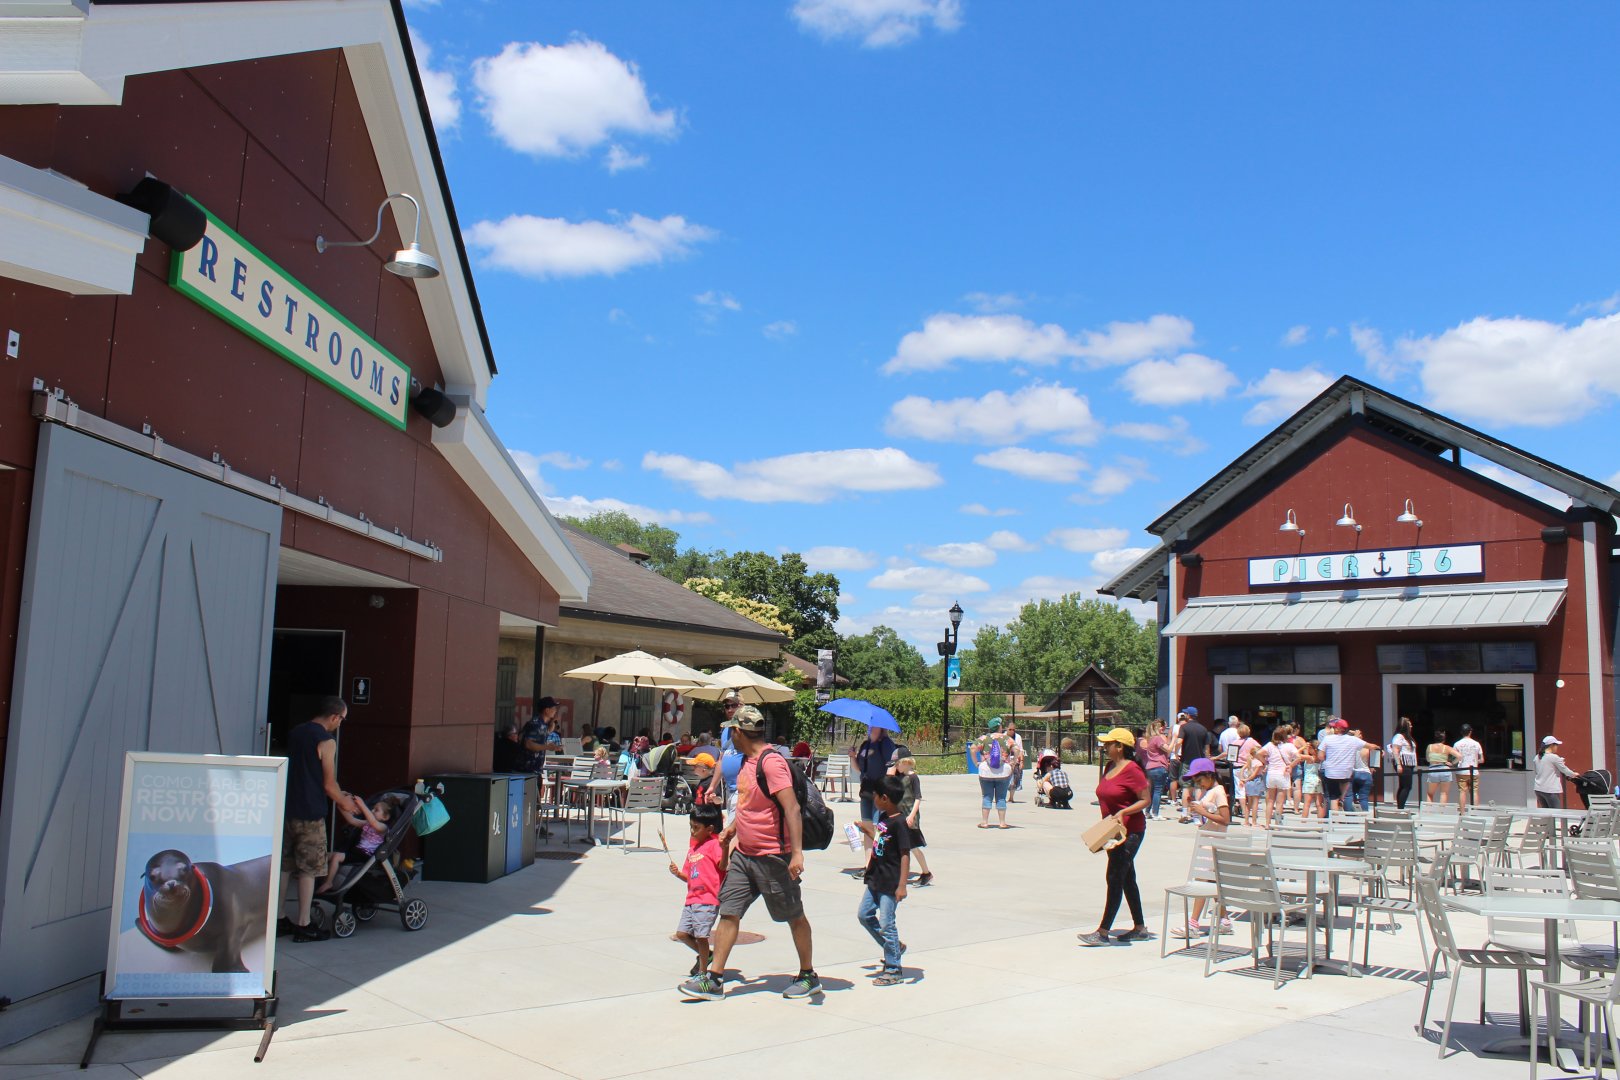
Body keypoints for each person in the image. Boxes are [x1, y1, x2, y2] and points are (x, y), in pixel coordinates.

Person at [679, 705, 821, 1001]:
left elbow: (792, 808)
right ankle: (714, 979)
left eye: (731, 730)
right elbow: (748, 804)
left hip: (773, 857)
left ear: (738, 732)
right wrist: (732, 828)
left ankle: (808, 975)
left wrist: (797, 854)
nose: (729, 735)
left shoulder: (771, 764)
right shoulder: (745, 762)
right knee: (729, 911)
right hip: (744, 854)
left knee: (793, 915)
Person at [278, 696, 360, 943]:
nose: (340, 724)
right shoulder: (326, 741)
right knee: (308, 870)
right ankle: (304, 924)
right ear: (334, 717)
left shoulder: (296, 733)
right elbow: (328, 784)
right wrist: (345, 803)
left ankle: (279, 918)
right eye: (342, 719)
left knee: (285, 867)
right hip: (311, 813)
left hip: (287, 809)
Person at [1077, 728, 1151, 947]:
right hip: (1111, 831)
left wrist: (1124, 812)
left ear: (1120, 747)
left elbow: (1145, 799)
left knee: (1115, 876)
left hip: (1130, 832)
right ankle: (1140, 928)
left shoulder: (1133, 770)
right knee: (1127, 878)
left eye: (1109, 743)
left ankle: (1103, 932)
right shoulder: (1109, 767)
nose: (1105, 746)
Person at [857, 775, 912, 986]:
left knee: (887, 923)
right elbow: (881, 842)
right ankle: (895, 947)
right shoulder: (883, 818)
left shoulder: (900, 823)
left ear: (885, 798)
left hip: (890, 882)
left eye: (875, 796)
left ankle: (893, 968)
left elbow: (905, 854)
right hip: (875, 877)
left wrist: (902, 885)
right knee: (864, 915)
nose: (873, 799)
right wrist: (868, 831)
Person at [1170, 758, 1233, 939]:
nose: (1198, 784)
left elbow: (1225, 819)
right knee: (1213, 884)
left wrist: (1203, 812)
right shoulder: (1210, 791)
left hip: (1213, 843)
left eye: (1199, 780)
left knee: (1202, 883)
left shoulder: (1218, 791)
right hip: (1209, 841)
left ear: (1209, 775)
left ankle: (1193, 924)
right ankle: (1225, 920)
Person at [670, 803, 725, 977]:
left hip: (708, 899)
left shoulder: (714, 845)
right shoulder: (692, 850)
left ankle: (702, 972)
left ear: (709, 829)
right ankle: (706, 956)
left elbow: (723, 866)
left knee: (702, 936)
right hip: (692, 899)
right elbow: (689, 876)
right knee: (682, 934)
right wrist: (678, 873)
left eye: (696, 827)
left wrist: (725, 848)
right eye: (691, 827)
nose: (692, 831)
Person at [324, 796, 394, 886]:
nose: (372, 810)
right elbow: (352, 820)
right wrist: (340, 804)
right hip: (356, 852)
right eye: (373, 808)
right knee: (327, 855)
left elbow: (373, 822)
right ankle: (313, 872)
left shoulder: (383, 828)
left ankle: (328, 883)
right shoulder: (367, 823)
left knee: (336, 857)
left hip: (365, 855)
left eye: (376, 810)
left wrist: (362, 804)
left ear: (385, 817)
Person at [851, 723, 898, 845]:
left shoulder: (886, 744)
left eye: (874, 725)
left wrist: (886, 786)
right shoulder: (865, 745)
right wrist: (852, 757)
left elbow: (892, 765)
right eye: (869, 725)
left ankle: (879, 854)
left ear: (881, 728)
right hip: (866, 790)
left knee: (878, 826)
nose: (870, 727)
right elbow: (859, 769)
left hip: (879, 791)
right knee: (866, 827)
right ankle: (868, 858)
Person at [1318, 718, 1375, 815]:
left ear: (1337, 729)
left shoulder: (1327, 739)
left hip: (1331, 772)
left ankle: (1335, 819)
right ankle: (1342, 798)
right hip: (1346, 772)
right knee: (1346, 782)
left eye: (1334, 727)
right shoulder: (1353, 740)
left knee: (1333, 798)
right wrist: (1379, 749)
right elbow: (1371, 746)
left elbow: (1320, 756)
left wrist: (1328, 758)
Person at [893, 756, 932, 885]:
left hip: (910, 816)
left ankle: (926, 873)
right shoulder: (898, 776)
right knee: (900, 846)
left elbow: (917, 798)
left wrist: (911, 815)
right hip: (899, 815)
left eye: (898, 764)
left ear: (905, 763)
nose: (896, 766)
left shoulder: (913, 777)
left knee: (913, 846)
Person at [971, 718, 1015, 829]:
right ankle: (1002, 823)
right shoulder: (1007, 739)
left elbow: (972, 748)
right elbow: (1017, 750)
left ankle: (985, 822)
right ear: (999, 727)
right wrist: (1013, 763)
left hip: (986, 772)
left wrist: (976, 763)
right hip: (1003, 772)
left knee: (987, 796)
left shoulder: (984, 738)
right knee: (1001, 797)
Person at [1257, 725, 1299, 829]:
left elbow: (1258, 753)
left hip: (1271, 773)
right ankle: (1277, 824)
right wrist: (1291, 765)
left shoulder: (1270, 745)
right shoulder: (1289, 746)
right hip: (1283, 774)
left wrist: (1265, 762)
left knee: (1270, 801)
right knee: (1280, 802)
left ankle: (1267, 824)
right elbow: (1298, 757)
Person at [1534, 735, 1579, 808]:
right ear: (1552, 745)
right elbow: (1564, 770)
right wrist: (1574, 774)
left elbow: (1544, 768)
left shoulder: (1537, 757)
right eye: (1556, 745)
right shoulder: (1554, 757)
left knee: (1545, 812)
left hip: (1538, 789)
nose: (1557, 747)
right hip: (1550, 789)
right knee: (1556, 811)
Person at [1139, 719, 1172, 819]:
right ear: (1157, 728)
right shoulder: (1157, 739)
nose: (1163, 729)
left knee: (1151, 791)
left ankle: (1147, 812)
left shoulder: (1150, 739)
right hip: (1159, 766)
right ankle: (1155, 813)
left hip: (1150, 767)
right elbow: (1168, 749)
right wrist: (1173, 739)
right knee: (1158, 790)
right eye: (1161, 727)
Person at [1389, 716, 1418, 809]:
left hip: (1409, 764)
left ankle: (1400, 807)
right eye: (1409, 725)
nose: (1411, 726)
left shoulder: (1408, 737)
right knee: (1407, 786)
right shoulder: (1399, 736)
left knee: (1403, 786)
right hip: (1403, 763)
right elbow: (1395, 750)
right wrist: (1398, 765)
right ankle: (1401, 808)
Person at [1454, 725, 1484, 808]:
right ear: (1470, 732)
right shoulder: (1477, 744)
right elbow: (1482, 760)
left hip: (1461, 771)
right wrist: (1475, 761)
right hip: (1474, 771)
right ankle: (1474, 811)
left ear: (1461, 732)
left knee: (1462, 791)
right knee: (1474, 791)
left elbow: (1454, 760)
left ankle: (1462, 811)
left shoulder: (1457, 744)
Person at [1426, 731, 1459, 805]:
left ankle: (1428, 810)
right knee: (1444, 793)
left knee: (1430, 794)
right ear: (1444, 739)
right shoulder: (1447, 747)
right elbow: (1459, 756)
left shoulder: (1430, 747)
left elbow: (1428, 759)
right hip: (1445, 769)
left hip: (1433, 769)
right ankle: (1441, 810)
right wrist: (1452, 763)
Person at [1349, 728, 1377, 812]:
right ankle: (1364, 815)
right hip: (1365, 772)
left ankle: (1351, 815)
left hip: (1353, 773)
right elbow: (1378, 749)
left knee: (1350, 797)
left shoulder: (1349, 748)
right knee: (1364, 798)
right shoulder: (1366, 748)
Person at [1216, 717, 1242, 805]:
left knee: (1226, 781)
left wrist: (1223, 754)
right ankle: (1237, 800)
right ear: (1237, 723)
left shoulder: (1223, 733)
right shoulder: (1238, 733)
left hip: (1226, 760)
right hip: (1237, 760)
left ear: (1229, 723)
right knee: (1237, 782)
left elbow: (1220, 748)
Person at [1004, 719, 1027, 802]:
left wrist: (1021, 761)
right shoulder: (1003, 736)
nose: (1012, 731)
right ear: (1006, 728)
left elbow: (1021, 750)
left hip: (1015, 760)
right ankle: (1001, 797)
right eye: (1010, 729)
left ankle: (1011, 797)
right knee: (1003, 780)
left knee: (1014, 780)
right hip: (1005, 761)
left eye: (1013, 730)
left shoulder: (1018, 737)